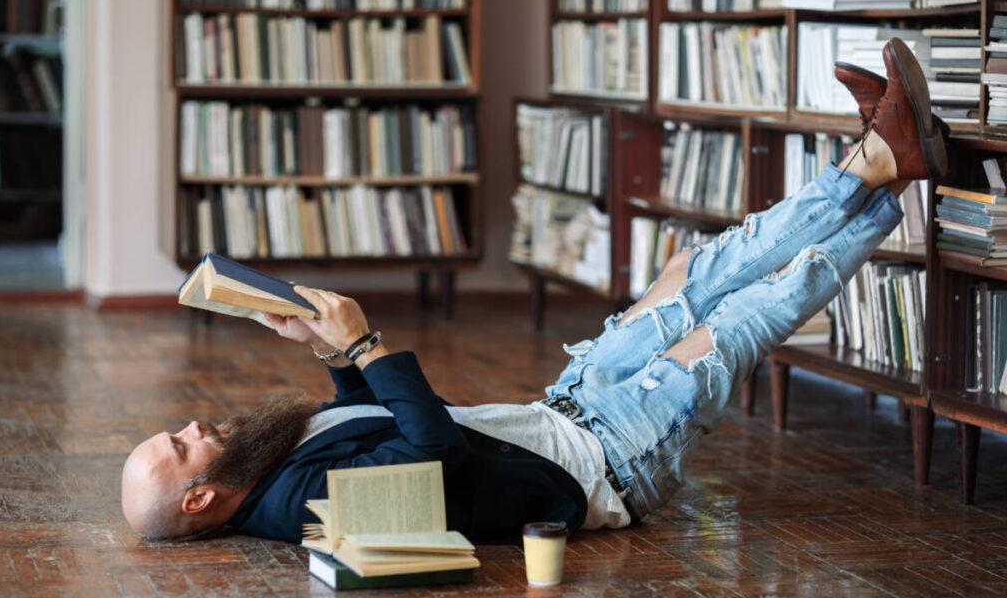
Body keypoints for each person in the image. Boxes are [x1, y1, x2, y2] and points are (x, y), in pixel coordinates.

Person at [121, 38, 947, 543]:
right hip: (610, 464)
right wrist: (368, 345)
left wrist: (332, 356)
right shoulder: (297, 507)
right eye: (181, 445)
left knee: (698, 272)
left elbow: (368, 429)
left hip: (568, 408)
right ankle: (880, 169)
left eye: (174, 428)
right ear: (198, 496)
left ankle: (877, 161)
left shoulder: (267, 467)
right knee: (739, 319)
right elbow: (428, 454)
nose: (191, 425)